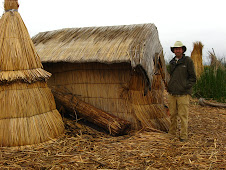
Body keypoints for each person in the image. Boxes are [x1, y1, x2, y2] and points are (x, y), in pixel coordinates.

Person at [167, 41, 196, 142]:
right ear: (174, 51)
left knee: (183, 115)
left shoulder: (187, 61)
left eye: (179, 48)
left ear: (182, 50)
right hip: (172, 93)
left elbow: (193, 78)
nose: (177, 50)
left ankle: (183, 135)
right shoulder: (172, 62)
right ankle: (172, 133)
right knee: (172, 115)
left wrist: (185, 87)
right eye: (175, 49)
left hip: (183, 94)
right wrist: (169, 87)